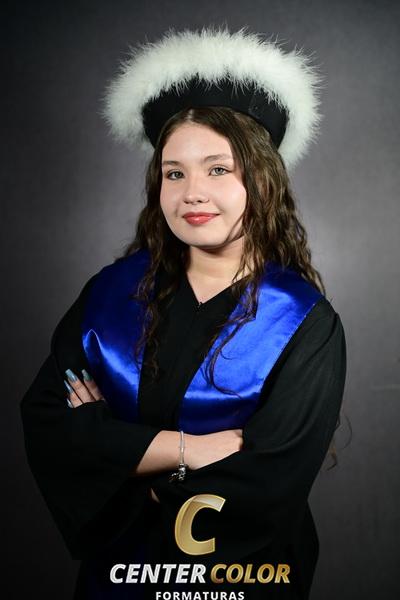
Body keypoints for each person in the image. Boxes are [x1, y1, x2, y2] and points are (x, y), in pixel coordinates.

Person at [20, 27, 347, 600]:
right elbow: (49, 425)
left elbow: (267, 484)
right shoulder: (110, 294)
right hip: (116, 578)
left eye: (218, 169)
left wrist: (117, 453)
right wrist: (187, 451)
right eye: (174, 172)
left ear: (262, 180)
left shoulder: (304, 321)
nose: (191, 192)